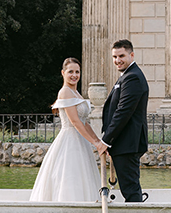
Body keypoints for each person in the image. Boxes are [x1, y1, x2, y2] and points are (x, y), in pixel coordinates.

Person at [30, 58, 108, 202]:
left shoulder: (77, 93)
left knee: (83, 174)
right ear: (63, 73)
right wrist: (95, 144)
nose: (74, 75)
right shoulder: (65, 92)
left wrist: (98, 141)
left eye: (77, 72)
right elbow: (76, 122)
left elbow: (85, 123)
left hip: (81, 141)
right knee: (70, 175)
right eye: (70, 71)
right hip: (70, 140)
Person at [101, 39, 149, 202]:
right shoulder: (126, 76)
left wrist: (106, 140)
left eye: (121, 56)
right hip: (123, 143)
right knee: (129, 187)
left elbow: (123, 112)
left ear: (131, 55)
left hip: (128, 143)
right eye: (114, 57)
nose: (117, 60)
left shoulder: (133, 77)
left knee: (130, 188)